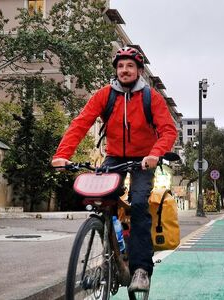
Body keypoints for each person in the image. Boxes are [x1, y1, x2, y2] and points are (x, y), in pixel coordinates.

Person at [51, 47, 177, 292]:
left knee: (139, 203)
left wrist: (155, 154)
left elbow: (168, 130)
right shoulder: (105, 95)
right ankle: (110, 242)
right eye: (120, 66)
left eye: (130, 66)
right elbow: (81, 123)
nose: (125, 70)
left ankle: (140, 270)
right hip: (114, 156)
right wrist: (62, 155)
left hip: (144, 159)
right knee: (100, 197)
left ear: (139, 71)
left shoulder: (151, 97)